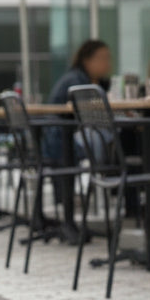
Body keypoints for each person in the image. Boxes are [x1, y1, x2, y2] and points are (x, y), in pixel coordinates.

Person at [44, 40, 113, 233]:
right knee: (115, 139)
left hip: (60, 139)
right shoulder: (77, 81)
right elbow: (94, 118)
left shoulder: (90, 81)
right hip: (60, 140)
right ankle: (117, 175)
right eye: (102, 58)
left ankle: (117, 182)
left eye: (108, 58)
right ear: (86, 60)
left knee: (118, 138)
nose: (107, 63)